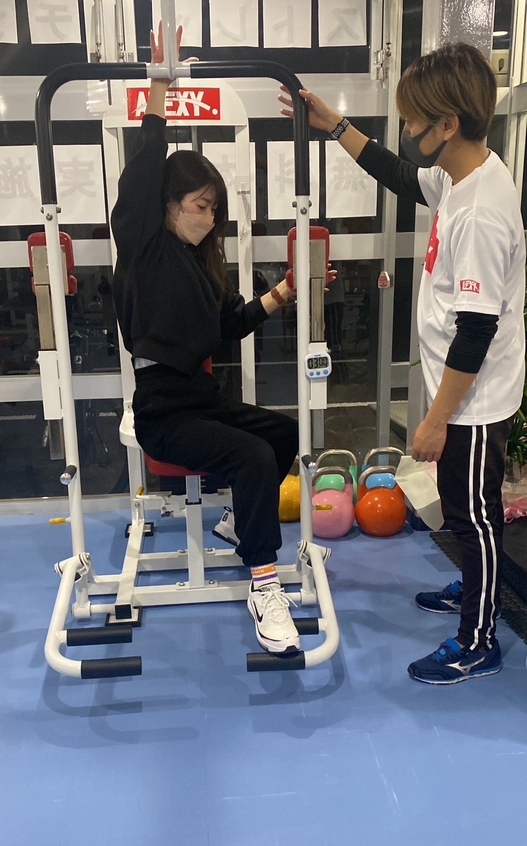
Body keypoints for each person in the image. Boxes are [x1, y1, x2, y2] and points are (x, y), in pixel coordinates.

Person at [280, 43, 526, 684]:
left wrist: (436, 421)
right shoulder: (460, 174)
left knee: (474, 516)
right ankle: (475, 587)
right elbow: (399, 174)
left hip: (474, 398)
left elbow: (476, 332)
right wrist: (335, 125)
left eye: (415, 118)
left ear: (448, 124)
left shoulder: (481, 212)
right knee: (465, 510)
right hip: (461, 391)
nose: (407, 127)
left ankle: (478, 639)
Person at [111, 25, 301, 655]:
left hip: (202, 397)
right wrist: (158, 88)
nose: (210, 216)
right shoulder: (144, 245)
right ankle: (264, 585)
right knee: (252, 459)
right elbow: (144, 170)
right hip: (162, 410)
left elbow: (227, 325)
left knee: (281, 435)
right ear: (168, 206)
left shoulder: (202, 266)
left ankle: (237, 525)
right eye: (200, 205)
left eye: (215, 207)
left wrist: (278, 296)